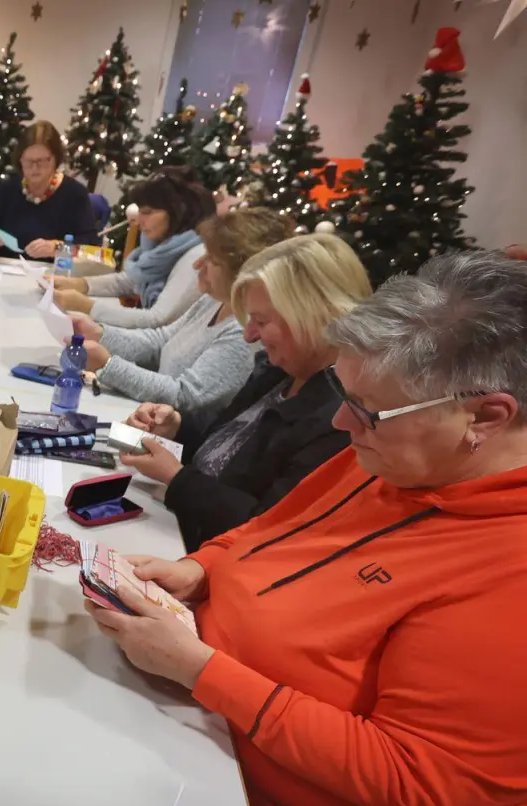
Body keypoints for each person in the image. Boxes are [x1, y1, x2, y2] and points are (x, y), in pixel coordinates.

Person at [85, 251, 527, 806]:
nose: (342, 423)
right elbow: (268, 533)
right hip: (214, 754)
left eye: (369, 410)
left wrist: (202, 670)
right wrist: (198, 568)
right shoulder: (392, 455)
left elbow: (413, 785)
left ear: (485, 419)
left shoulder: (506, 575)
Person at [117, 234, 370, 550]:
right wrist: (175, 427)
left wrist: (177, 478)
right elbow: (225, 451)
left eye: (261, 321)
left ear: (315, 317)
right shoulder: (280, 372)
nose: (249, 336)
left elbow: (269, 529)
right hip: (174, 528)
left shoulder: (339, 419)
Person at [65, 208, 294, 418]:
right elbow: (161, 340)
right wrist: (98, 333)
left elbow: (186, 396)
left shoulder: (244, 333)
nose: (197, 266)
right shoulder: (214, 301)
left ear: (243, 273)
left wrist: (107, 364)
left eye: (212, 261)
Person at [49, 167, 213, 324]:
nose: (139, 220)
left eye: (148, 212)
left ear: (179, 212)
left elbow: (157, 319)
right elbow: (130, 281)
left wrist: (86, 305)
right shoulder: (163, 245)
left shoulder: (195, 257)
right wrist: (80, 284)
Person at [0, 120, 100, 259]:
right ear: (20, 160)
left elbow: (91, 249)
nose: (35, 168)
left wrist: (56, 248)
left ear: (56, 159)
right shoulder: (6, 190)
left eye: (42, 161)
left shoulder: (75, 194)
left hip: (52, 277)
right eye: (29, 161)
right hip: (5, 273)